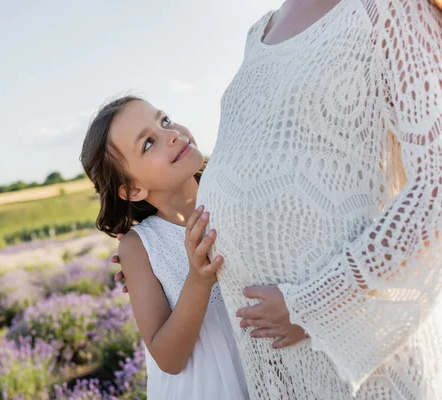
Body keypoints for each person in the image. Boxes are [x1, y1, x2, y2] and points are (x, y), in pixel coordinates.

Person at [116, 0, 442, 398]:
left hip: (361, 367)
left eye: (164, 122)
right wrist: (154, 262)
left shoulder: (391, 9)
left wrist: (314, 308)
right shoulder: (259, 34)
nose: (169, 133)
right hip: (278, 374)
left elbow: (435, 189)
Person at [80, 96, 257, 399]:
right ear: (133, 189)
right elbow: (168, 358)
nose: (171, 134)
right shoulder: (139, 247)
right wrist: (198, 281)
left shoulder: (243, 195)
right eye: (148, 144)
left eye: (164, 121)